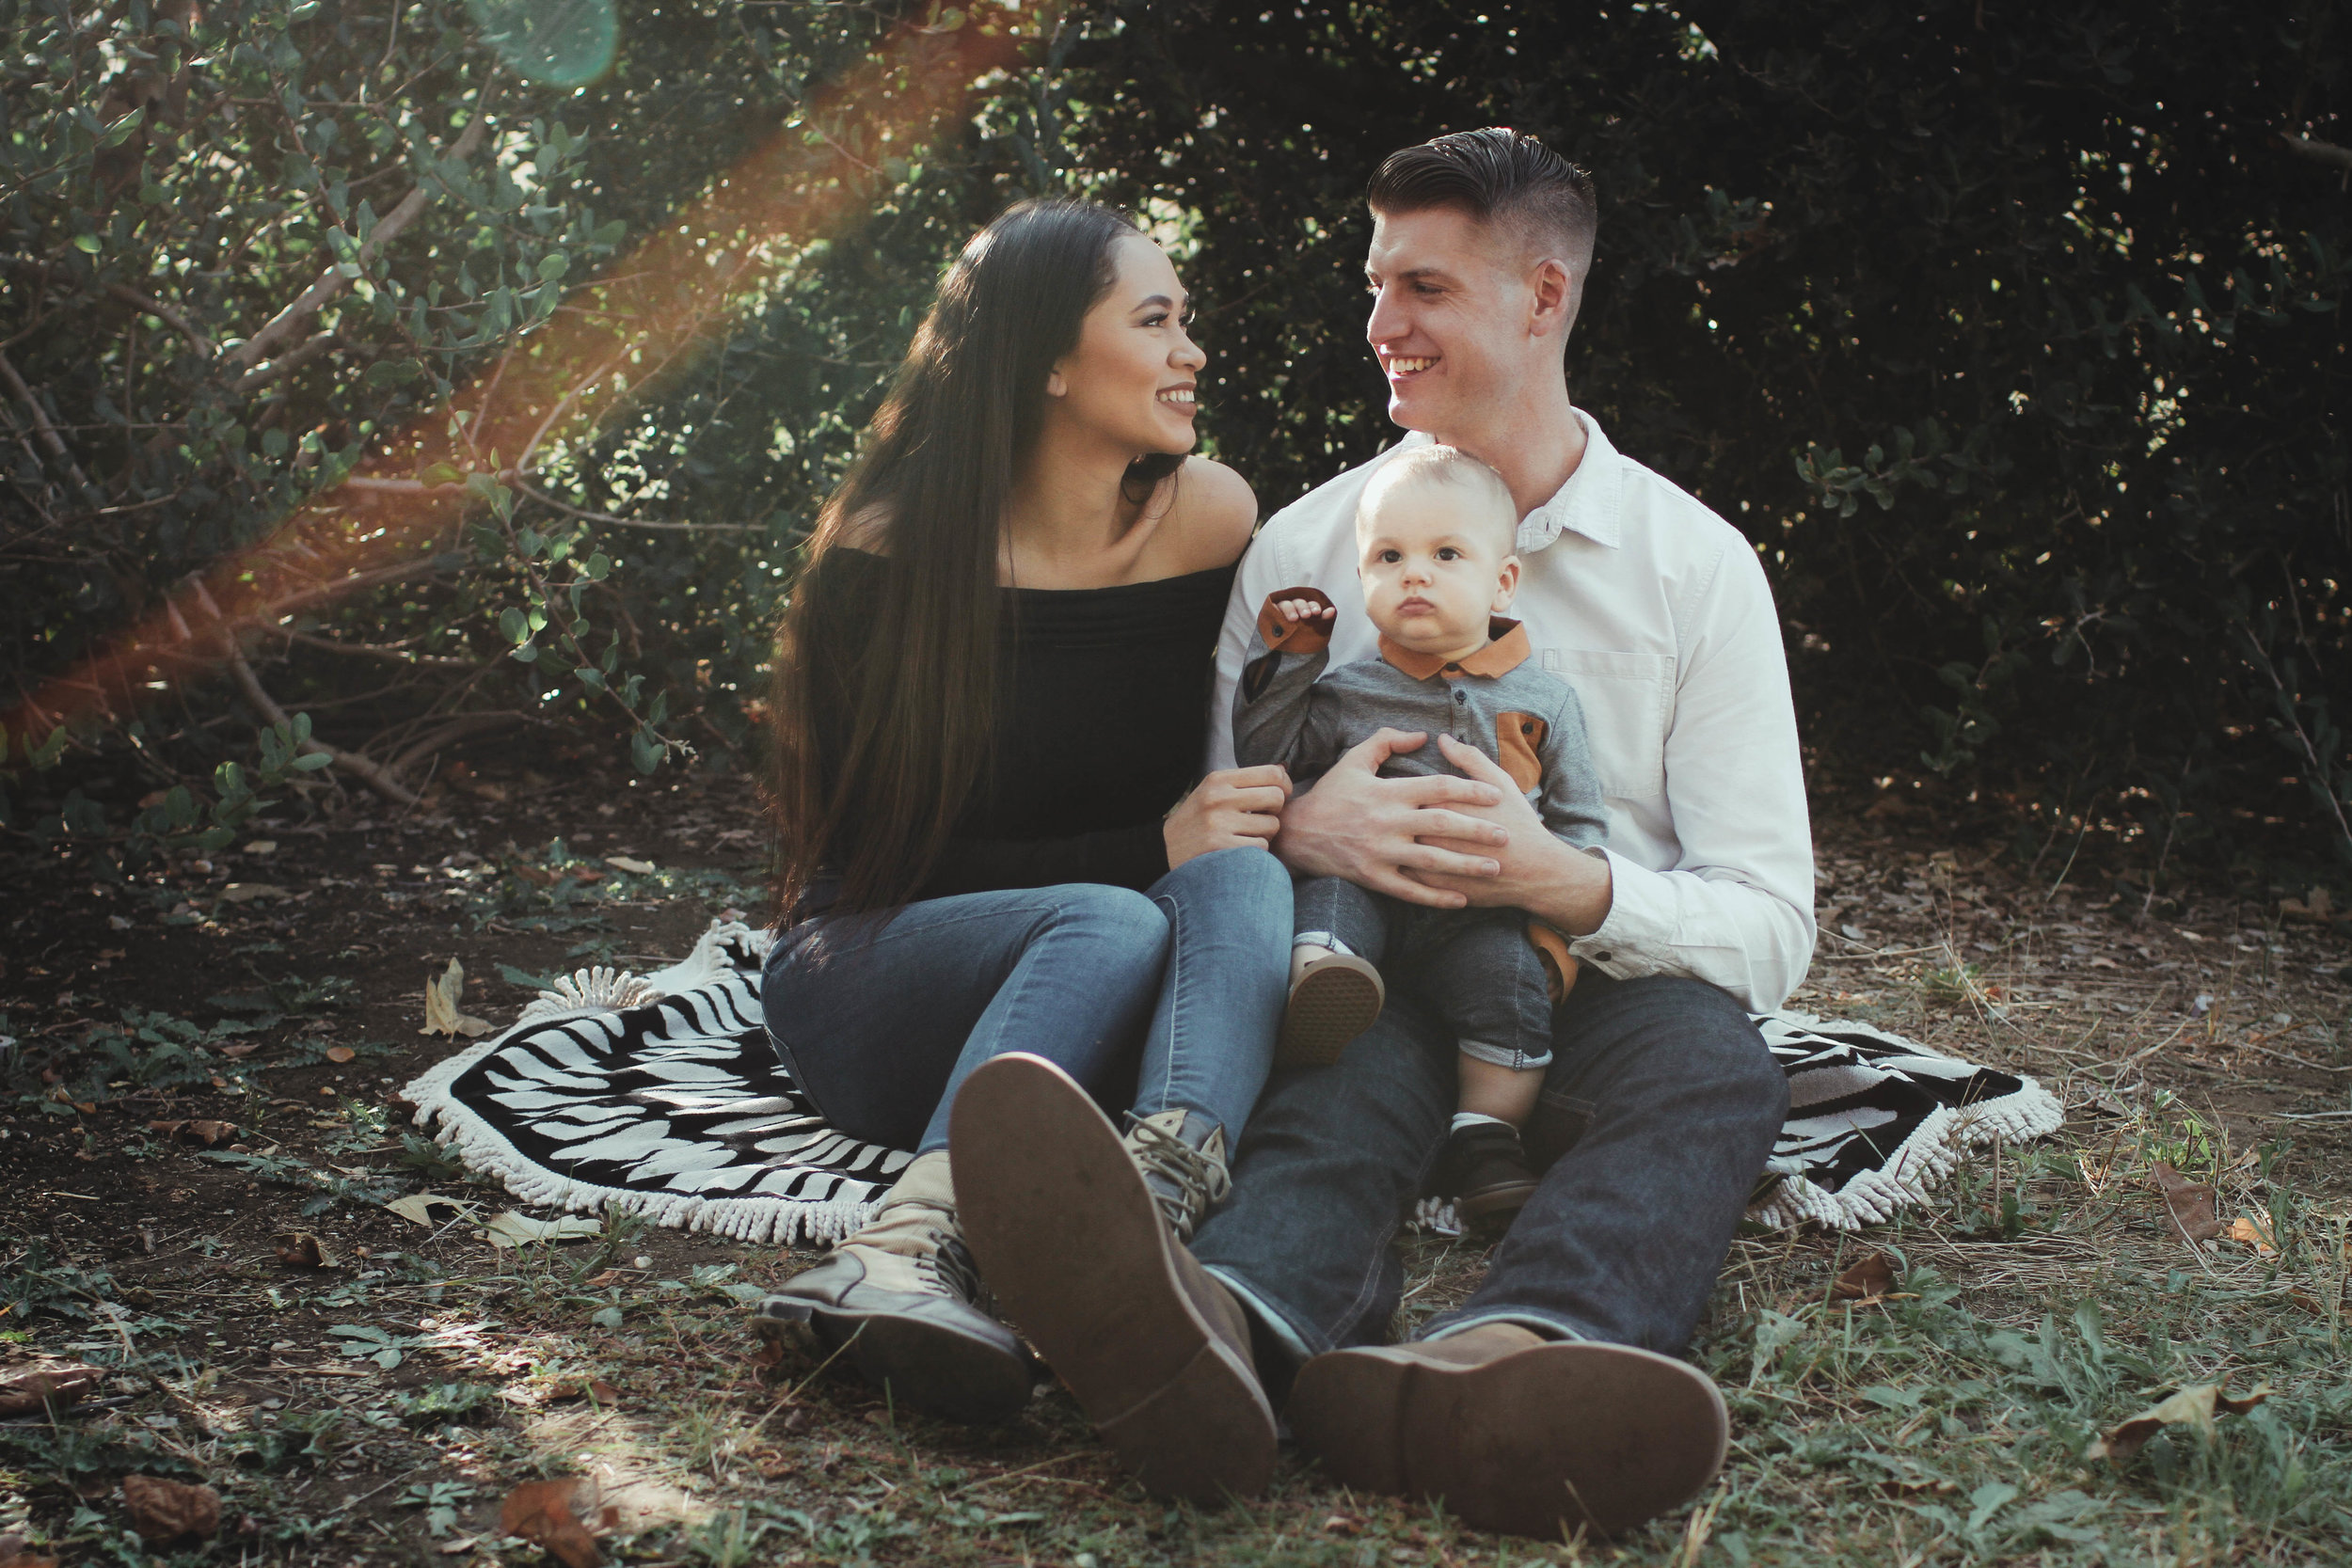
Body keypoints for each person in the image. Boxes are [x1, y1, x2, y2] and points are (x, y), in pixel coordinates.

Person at [948, 130, 1815, 1538]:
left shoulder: (1695, 568)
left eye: (1423, 287)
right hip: (1368, 965)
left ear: (1542, 298)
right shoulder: (1304, 554)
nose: (1378, 326)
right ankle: (1222, 1331)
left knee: (1719, 1072)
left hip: (1598, 985)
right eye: (1374, 285)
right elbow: (1215, 855)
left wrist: (1563, 877)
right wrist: (1305, 829)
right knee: (1332, 1090)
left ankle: (1506, 1359)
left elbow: (1772, 924)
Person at [748, 198, 1295, 1434]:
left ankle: (1141, 1239)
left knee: (1245, 875)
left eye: (1185, 319)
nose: (1192, 350)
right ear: (1047, 358)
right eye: (1153, 321)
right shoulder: (887, 555)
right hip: (881, 970)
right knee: (1113, 916)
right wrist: (1147, 852)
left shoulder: (1211, 517)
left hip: (1097, 1005)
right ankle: (901, 1249)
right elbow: (883, 860)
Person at [1230, 444, 1607, 1222]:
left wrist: (1554, 940)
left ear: (1503, 580)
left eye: (1446, 554)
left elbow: (1579, 824)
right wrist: (1292, 657)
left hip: (1478, 914)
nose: (1414, 575)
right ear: (1362, 576)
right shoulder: (1344, 691)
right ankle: (1311, 997)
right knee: (1326, 909)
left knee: (1510, 989)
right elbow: (1268, 755)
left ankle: (1487, 1139)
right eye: (1389, 556)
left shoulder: (1545, 700)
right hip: (1360, 893)